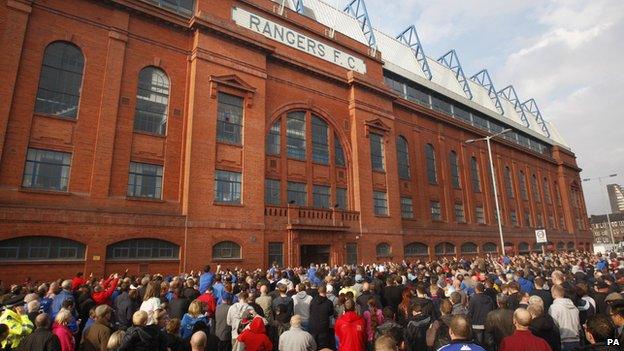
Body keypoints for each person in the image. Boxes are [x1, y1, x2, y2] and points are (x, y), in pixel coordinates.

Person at [549, 284, 580, 351]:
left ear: (553, 294)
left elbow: (553, 325)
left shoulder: (554, 308)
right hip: (576, 338)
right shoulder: (574, 307)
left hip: (563, 340)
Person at [308, 285, 334, 349]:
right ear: (325, 291)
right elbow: (331, 313)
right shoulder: (329, 303)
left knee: (313, 346)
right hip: (323, 327)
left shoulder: (313, 301)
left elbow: (310, 310)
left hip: (313, 326)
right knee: (322, 346)